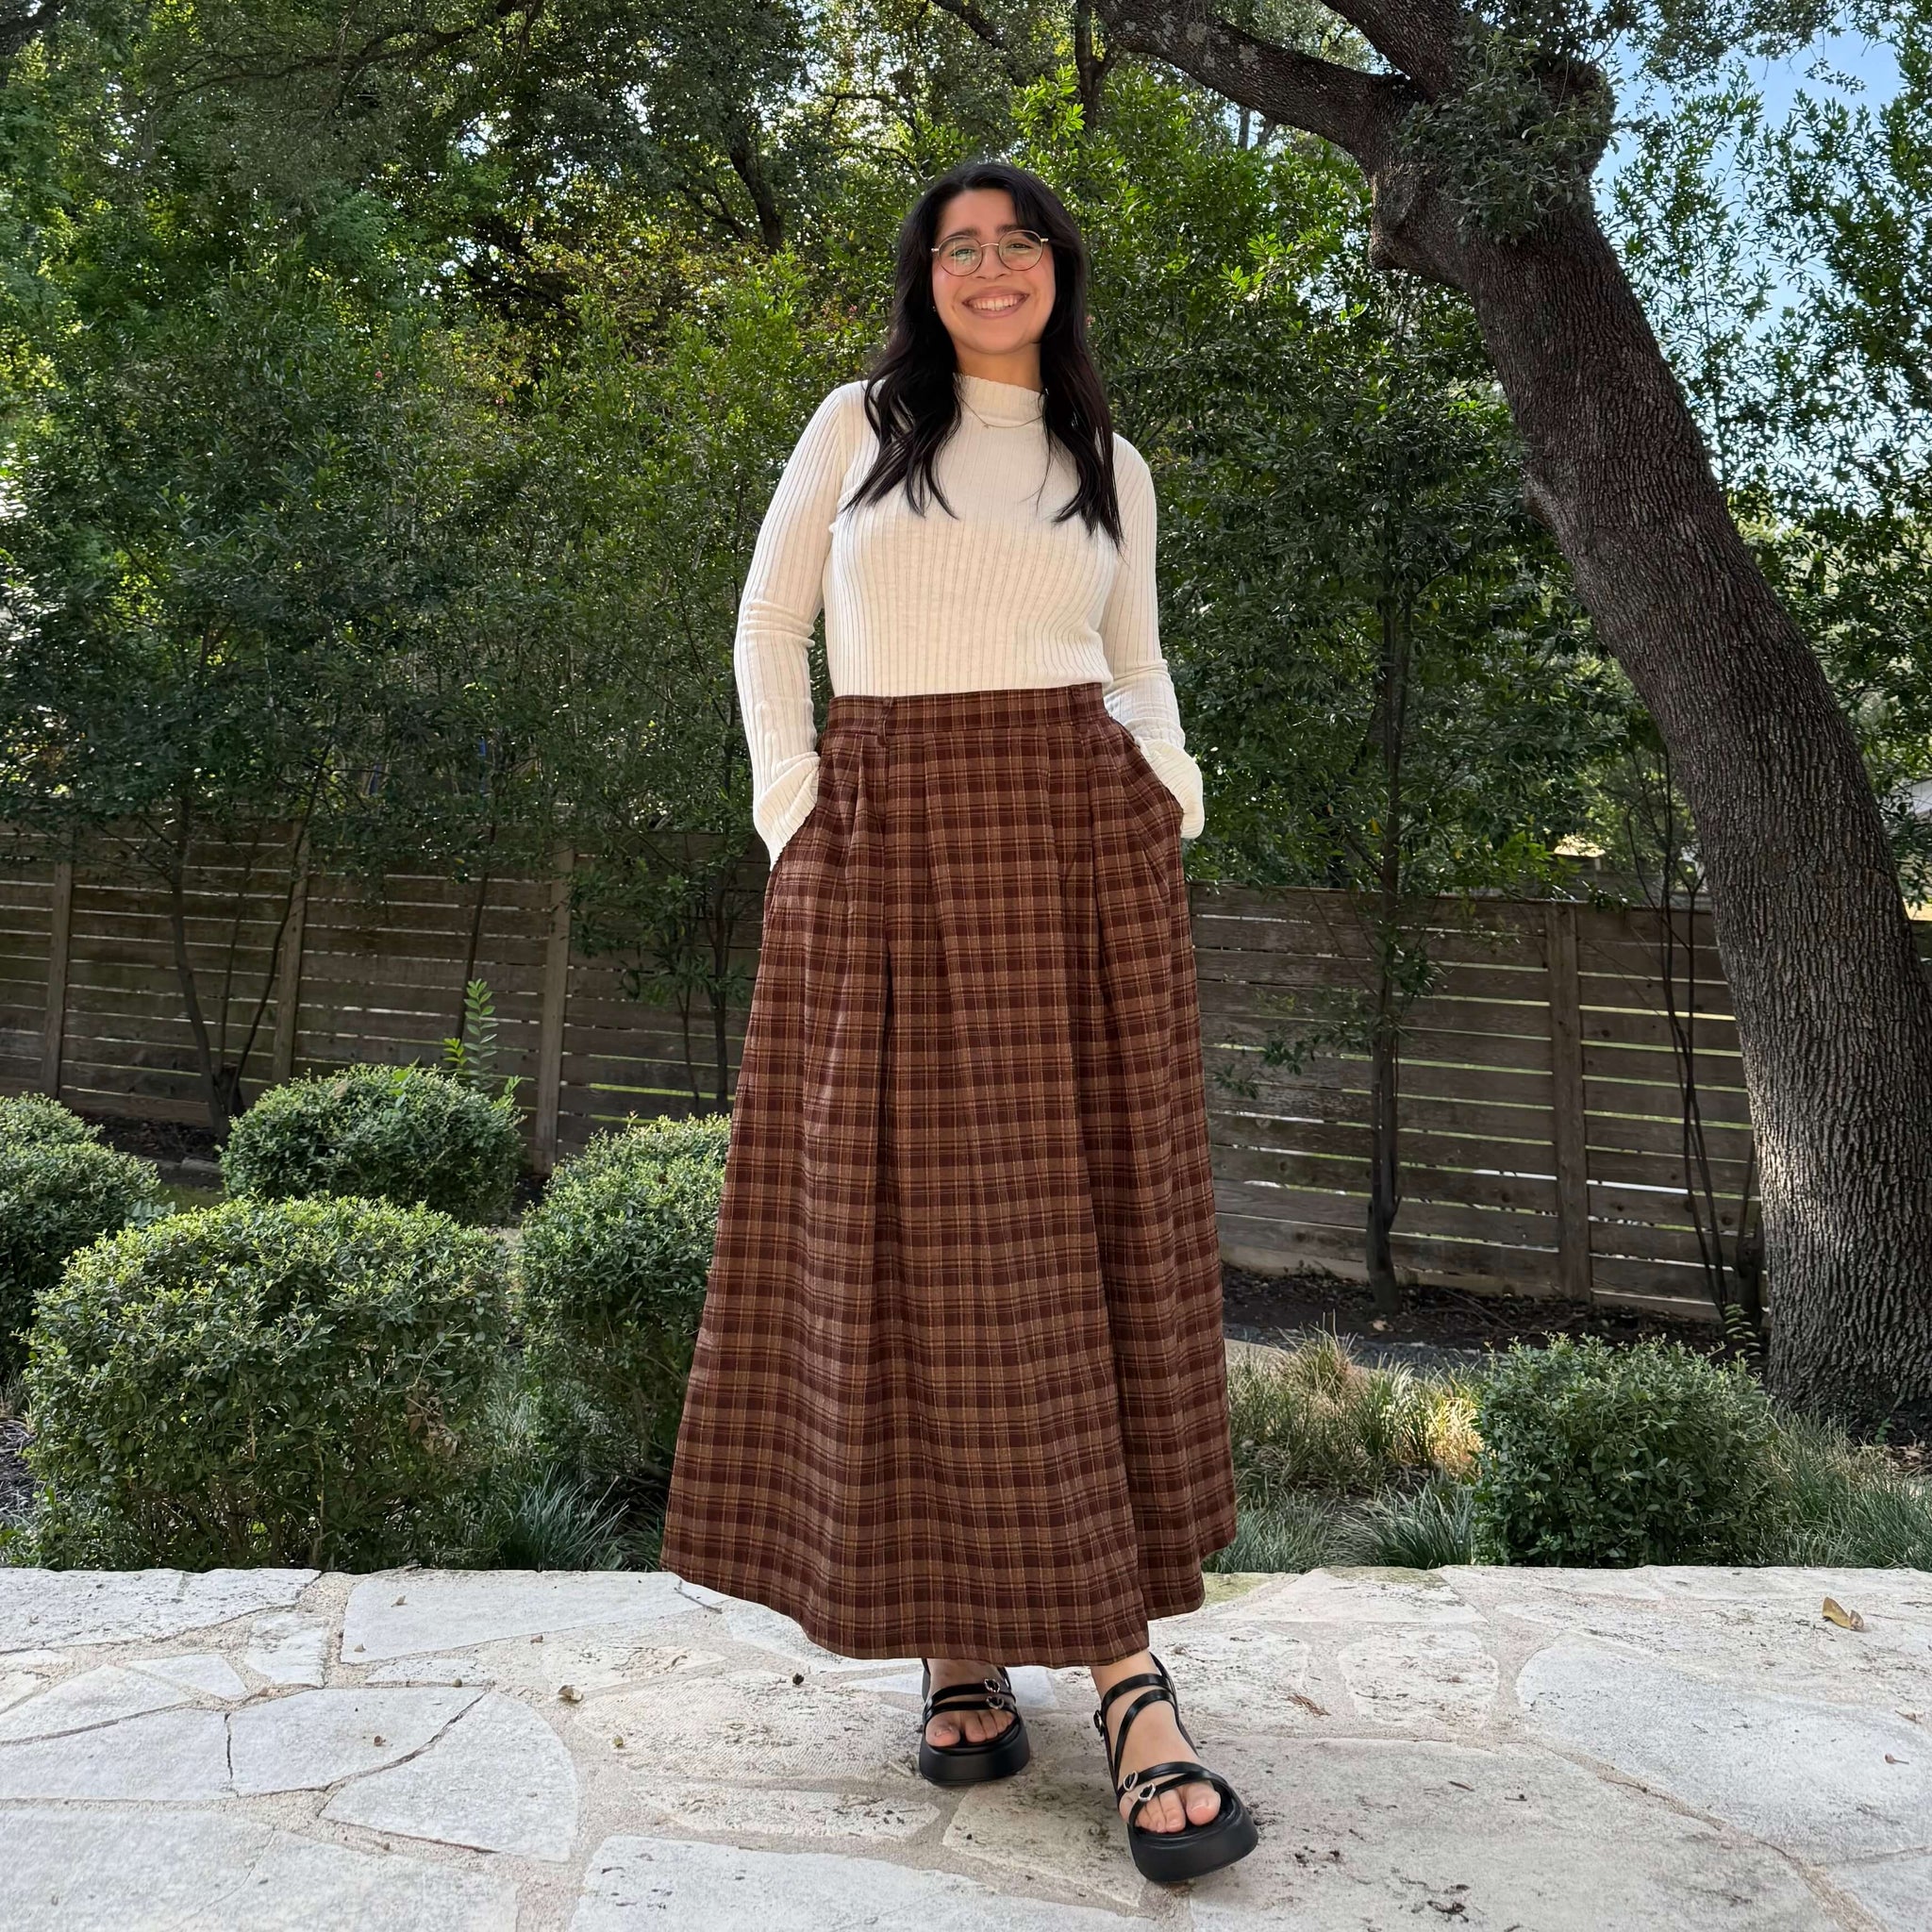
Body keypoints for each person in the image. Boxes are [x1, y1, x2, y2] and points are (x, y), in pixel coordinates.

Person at [658, 158, 1257, 1886]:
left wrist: (1166, 796)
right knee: (905, 1235)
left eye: (1018, 242)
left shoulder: (1109, 463)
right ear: (926, 279)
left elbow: (1136, 659)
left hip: (1072, 848)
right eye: (957, 248)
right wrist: (796, 810)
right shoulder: (857, 428)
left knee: (1071, 1233)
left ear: (1059, 267)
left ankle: (1124, 1673)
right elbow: (770, 623)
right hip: (885, 839)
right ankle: (957, 1639)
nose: (991, 268)